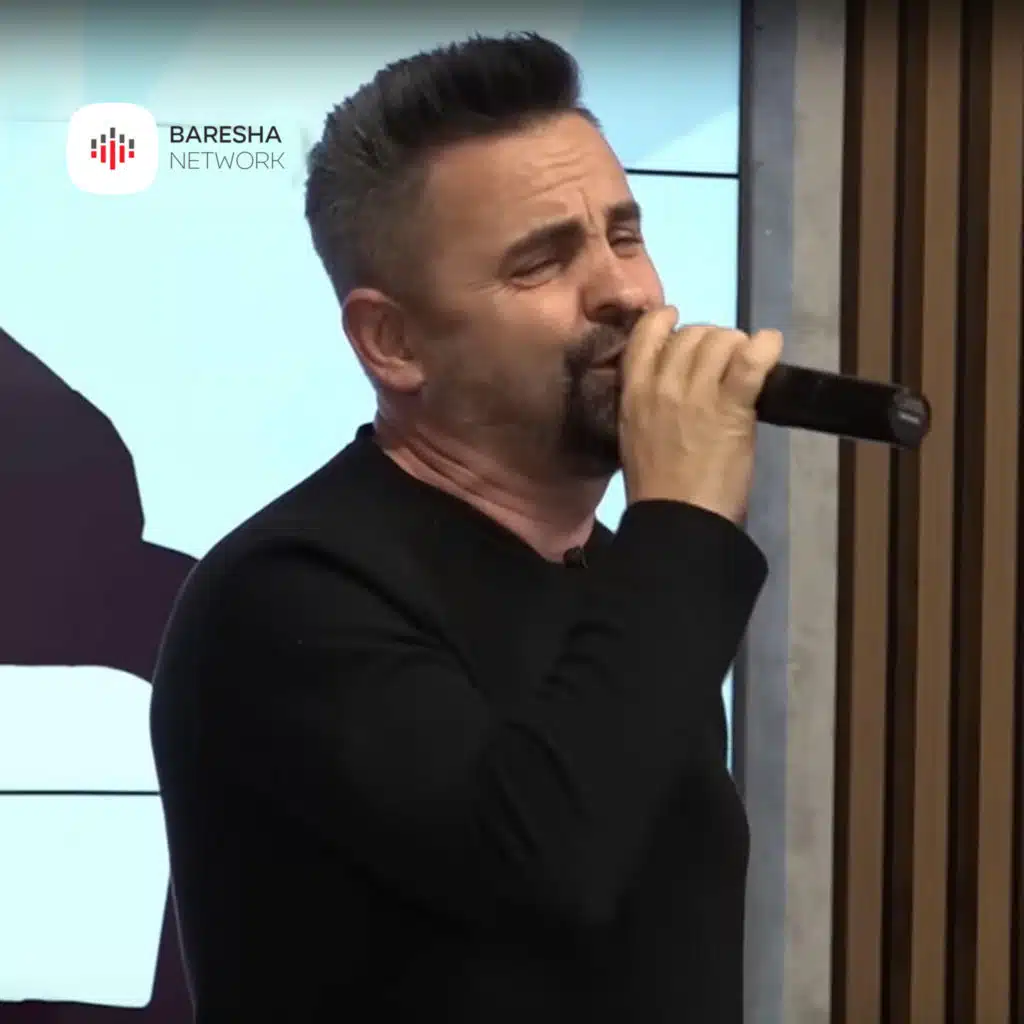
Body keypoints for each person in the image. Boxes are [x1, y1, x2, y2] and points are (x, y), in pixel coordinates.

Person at [150, 32, 782, 1023]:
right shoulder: (286, 593)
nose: (626, 292)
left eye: (624, 236)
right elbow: (546, 863)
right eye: (542, 262)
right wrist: (686, 521)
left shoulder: (621, 578)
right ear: (392, 341)